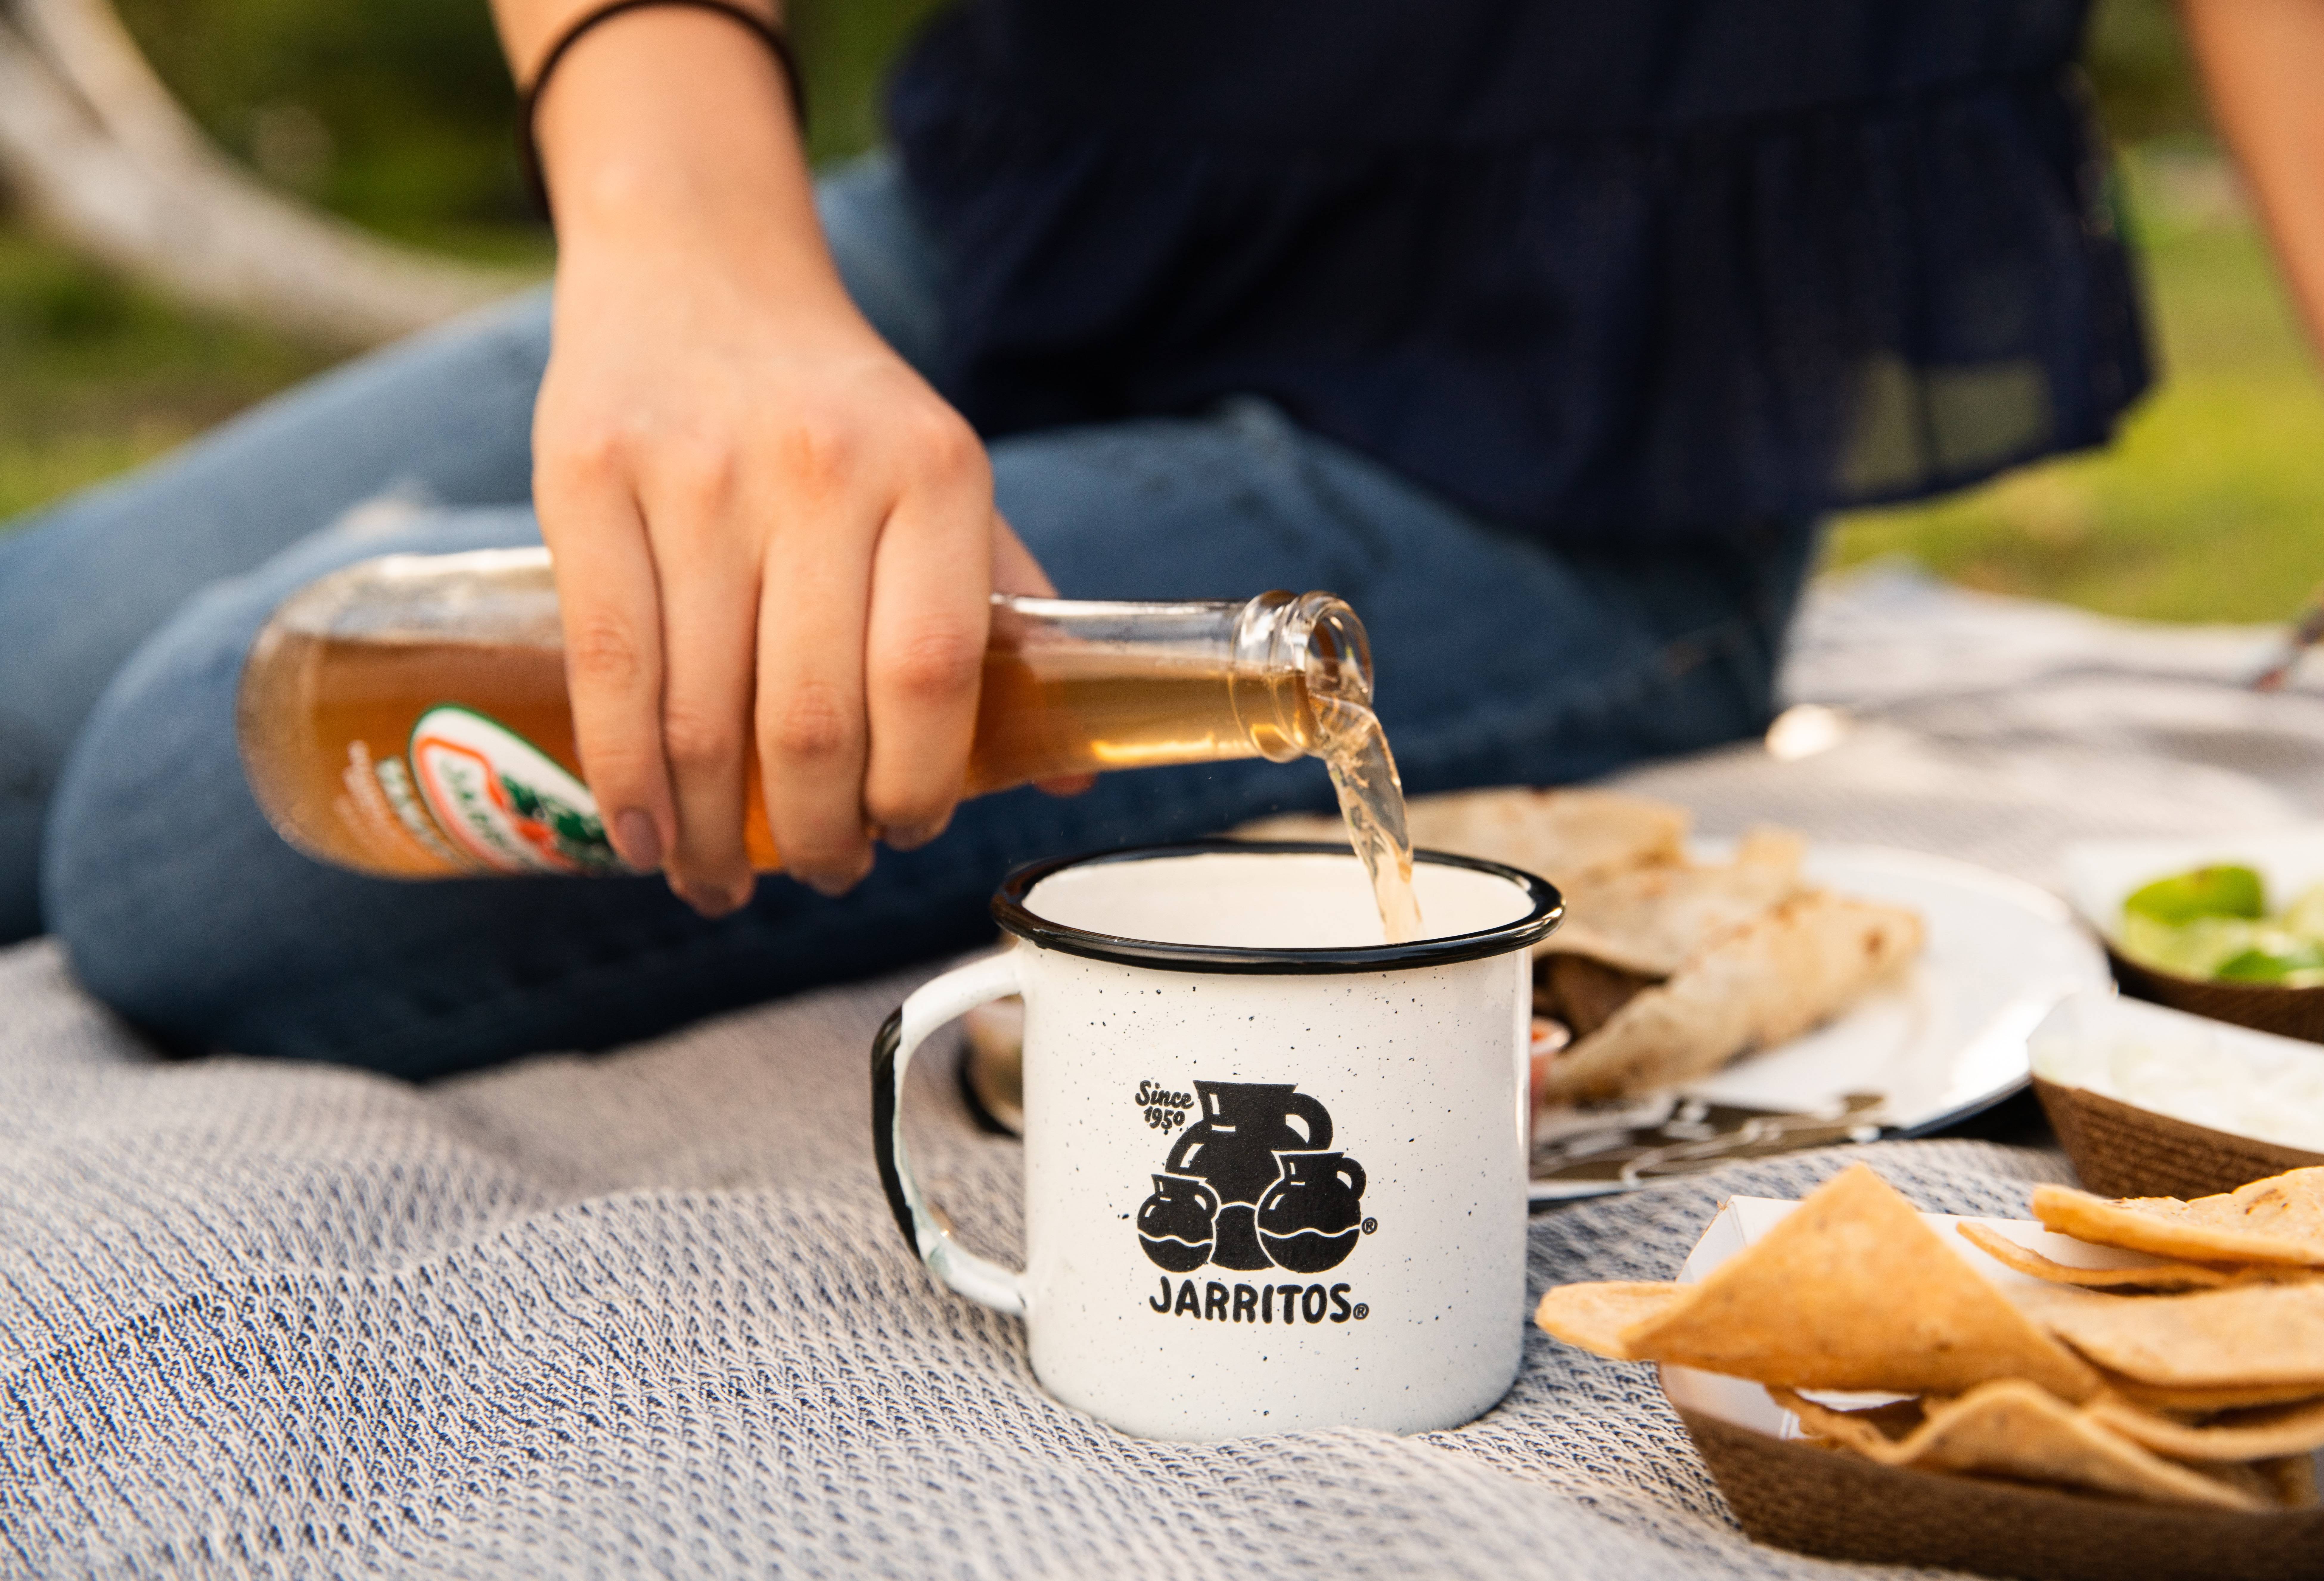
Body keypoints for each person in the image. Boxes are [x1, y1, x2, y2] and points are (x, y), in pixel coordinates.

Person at [1, 0, 2316, 1077]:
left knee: (188, 818)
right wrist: (692, 265)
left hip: (1593, 407)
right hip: (1026, 219)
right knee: (35, 670)